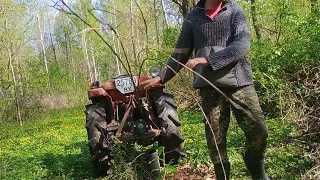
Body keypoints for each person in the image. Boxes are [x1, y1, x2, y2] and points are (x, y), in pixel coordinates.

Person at [140, 0, 269, 179]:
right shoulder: (193, 17)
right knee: (216, 140)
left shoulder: (234, 10)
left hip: (240, 81)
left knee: (259, 131)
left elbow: (242, 45)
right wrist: (161, 77)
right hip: (209, 86)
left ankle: (255, 166)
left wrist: (208, 60)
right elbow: (180, 53)